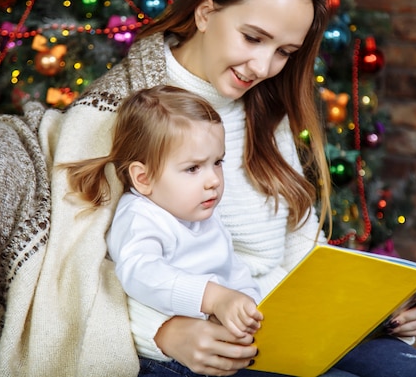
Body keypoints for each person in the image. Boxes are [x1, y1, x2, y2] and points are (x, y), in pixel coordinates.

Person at [0, 0, 416, 376]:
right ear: (205, 11)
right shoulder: (115, 115)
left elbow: (299, 251)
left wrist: (382, 306)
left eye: (285, 52)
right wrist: (163, 331)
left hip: (282, 324)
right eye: (253, 37)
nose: (263, 66)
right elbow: (72, 277)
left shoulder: (264, 108)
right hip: (194, 347)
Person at [62, 85, 264, 353]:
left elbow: (235, 272)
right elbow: (140, 273)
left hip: (221, 340)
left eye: (218, 162)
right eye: (193, 168)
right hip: (173, 360)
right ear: (143, 179)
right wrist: (214, 298)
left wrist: (248, 306)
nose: (214, 180)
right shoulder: (140, 216)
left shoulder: (201, 215)